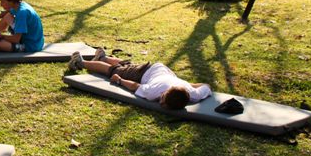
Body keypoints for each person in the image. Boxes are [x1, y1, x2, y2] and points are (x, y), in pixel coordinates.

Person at [66, 50, 212, 110]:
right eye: (162, 100)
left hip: (162, 70)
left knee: (126, 66)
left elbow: (206, 85)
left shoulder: (193, 94)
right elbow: (135, 86)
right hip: (145, 74)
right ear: (164, 94)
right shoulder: (153, 92)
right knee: (113, 71)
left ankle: (102, 57)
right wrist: (119, 80)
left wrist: (188, 84)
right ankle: (80, 62)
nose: (160, 103)